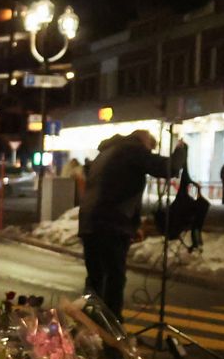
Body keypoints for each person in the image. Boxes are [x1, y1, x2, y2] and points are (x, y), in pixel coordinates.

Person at [78, 129, 187, 319]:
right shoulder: (132, 149)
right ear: (144, 142)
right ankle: (112, 330)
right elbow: (167, 168)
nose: (150, 153)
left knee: (96, 279)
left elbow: (116, 187)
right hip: (110, 224)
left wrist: (132, 225)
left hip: (90, 223)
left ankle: (90, 327)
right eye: (150, 149)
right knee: (114, 278)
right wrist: (181, 150)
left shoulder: (106, 153)